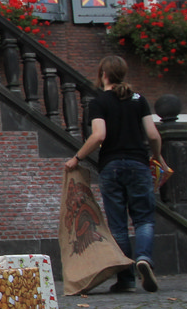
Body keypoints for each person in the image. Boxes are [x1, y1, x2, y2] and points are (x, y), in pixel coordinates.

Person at [65, 55, 169, 293]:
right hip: (138, 164)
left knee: (118, 225)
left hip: (111, 166)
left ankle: (126, 279)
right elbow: (153, 135)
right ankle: (144, 258)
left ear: (103, 74)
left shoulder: (99, 102)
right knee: (144, 219)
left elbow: (99, 135)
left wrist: (77, 158)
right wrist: (157, 157)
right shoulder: (139, 100)